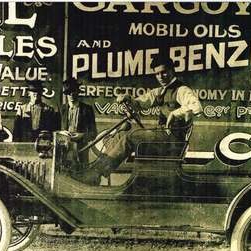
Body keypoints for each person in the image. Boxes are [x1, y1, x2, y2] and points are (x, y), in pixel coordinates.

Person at [76, 55, 202, 185]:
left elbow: (197, 107)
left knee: (131, 136)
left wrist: (175, 113)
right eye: (157, 73)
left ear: (172, 70)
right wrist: (128, 99)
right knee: (120, 134)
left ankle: (95, 174)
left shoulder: (181, 90)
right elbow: (141, 102)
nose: (160, 76)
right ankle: (94, 172)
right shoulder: (160, 91)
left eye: (163, 72)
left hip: (172, 142)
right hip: (162, 138)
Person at [61, 77, 97, 166]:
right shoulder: (61, 110)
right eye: (69, 93)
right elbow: (54, 130)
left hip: (82, 150)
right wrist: (62, 133)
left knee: (82, 172)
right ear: (66, 94)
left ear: (78, 92)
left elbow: (93, 133)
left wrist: (82, 135)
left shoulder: (87, 110)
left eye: (74, 91)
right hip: (64, 150)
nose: (72, 95)